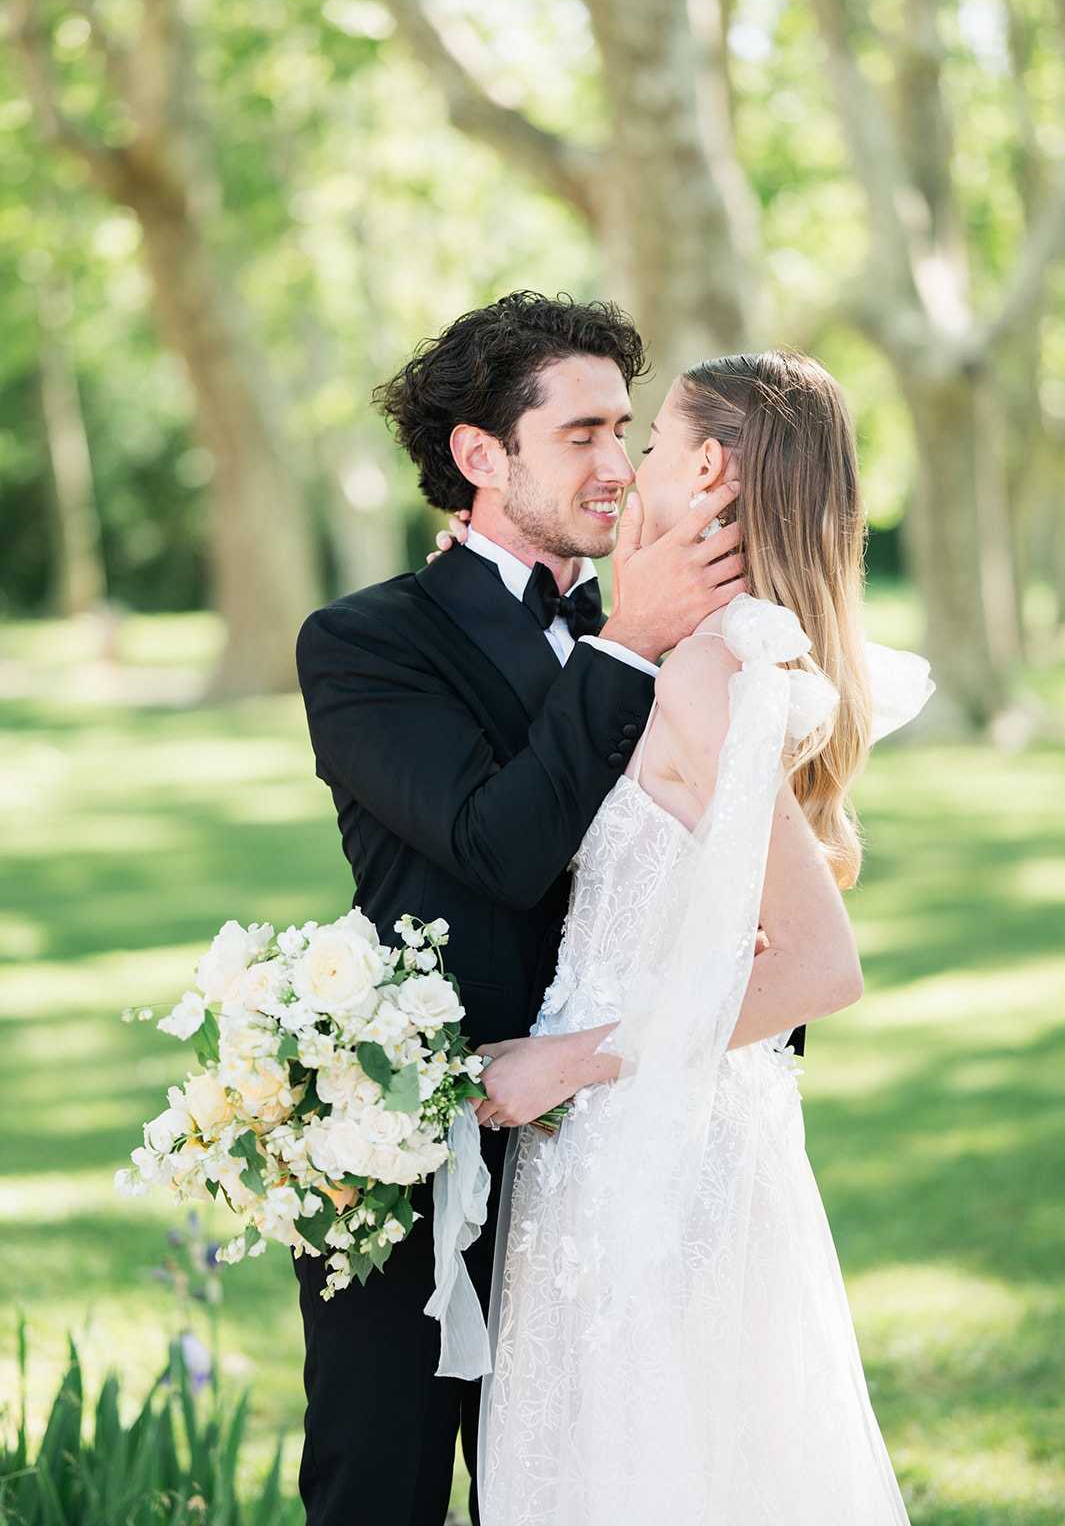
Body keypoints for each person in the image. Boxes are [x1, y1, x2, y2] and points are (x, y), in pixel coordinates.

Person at [293, 292, 753, 1526]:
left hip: (620, 1138)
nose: (617, 465)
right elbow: (497, 847)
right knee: (378, 1485)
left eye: (626, 432)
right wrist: (629, 649)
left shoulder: (663, 635)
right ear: (481, 456)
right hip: (414, 1138)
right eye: (583, 434)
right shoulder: (363, 644)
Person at [472, 351, 932, 1524]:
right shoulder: (705, 654)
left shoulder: (714, 674)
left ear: (711, 467)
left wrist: (560, 1062)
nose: (632, 465)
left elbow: (821, 967)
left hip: (652, 1144)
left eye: (656, 442)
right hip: (622, 1135)